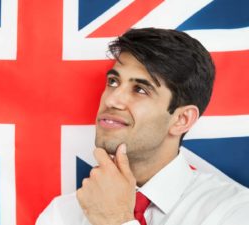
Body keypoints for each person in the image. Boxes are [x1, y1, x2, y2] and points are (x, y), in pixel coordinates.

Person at [36, 28, 249, 225]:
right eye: (113, 82)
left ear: (182, 119)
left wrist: (116, 220)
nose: (112, 100)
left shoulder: (234, 211)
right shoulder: (62, 214)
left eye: (140, 90)